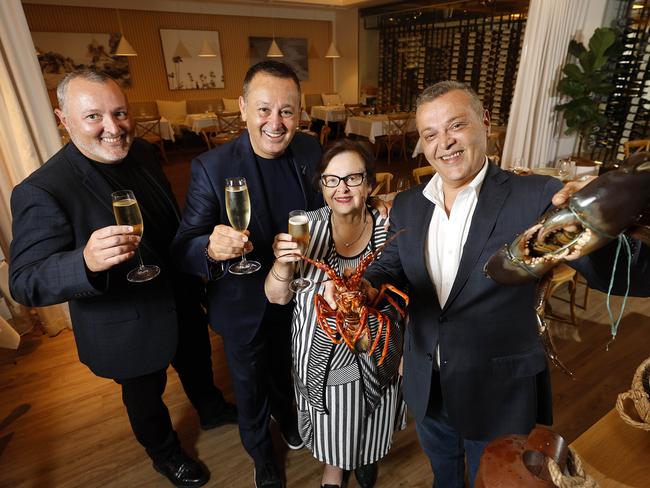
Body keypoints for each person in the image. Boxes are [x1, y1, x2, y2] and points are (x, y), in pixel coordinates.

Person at [322, 81, 650, 488]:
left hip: (498, 393)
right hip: (427, 385)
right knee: (445, 476)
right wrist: (365, 288)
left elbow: (623, 274)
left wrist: (607, 218)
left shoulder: (537, 196)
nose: (445, 143)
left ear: (485, 123)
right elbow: (390, 265)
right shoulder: (408, 203)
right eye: (430, 134)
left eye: (456, 125)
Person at [9, 69, 237, 488]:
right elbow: (23, 281)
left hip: (179, 295)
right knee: (144, 395)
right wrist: (85, 262)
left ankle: (211, 407)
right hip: (124, 321)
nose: (113, 128)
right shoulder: (42, 190)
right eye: (94, 116)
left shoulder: (145, 153)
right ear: (64, 120)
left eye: (120, 113)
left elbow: (171, 224)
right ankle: (165, 454)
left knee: (196, 359)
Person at [171, 61, 323, 488]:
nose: (275, 123)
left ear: (300, 113)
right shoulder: (212, 168)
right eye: (263, 109)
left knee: (289, 368)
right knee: (251, 384)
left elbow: (333, 207)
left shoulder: (311, 151)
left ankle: (290, 420)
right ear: (241, 108)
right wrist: (209, 247)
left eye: (287, 111)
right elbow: (183, 247)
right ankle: (262, 454)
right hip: (242, 303)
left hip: (297, 293)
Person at [265, 140, 407, 488]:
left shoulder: (389, 225)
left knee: (375, 414)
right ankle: (335, 469)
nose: (342, 188)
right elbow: (276, 297)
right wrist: (283, 266)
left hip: (377, 346)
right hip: (322, 355)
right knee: (336, 417)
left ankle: (366, 456)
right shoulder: (304, 229)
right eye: (331, 180)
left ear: (370, 185)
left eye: (353, 178)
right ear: (322, 187)